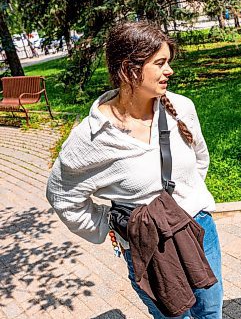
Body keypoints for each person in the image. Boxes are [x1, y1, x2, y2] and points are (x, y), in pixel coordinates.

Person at [46, 21, 223, 319]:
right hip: (149, 246)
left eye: (169, 62)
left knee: (210, 312)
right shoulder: (92, 137)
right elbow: (62, 195)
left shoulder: (181, 107)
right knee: (171, 316)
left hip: (199, 230)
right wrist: (108, 224)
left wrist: (185, 200)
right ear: (129, 69)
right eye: (160, 63)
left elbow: (199, 160)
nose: (170, 71)